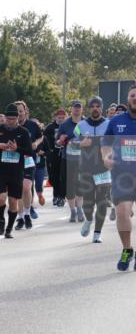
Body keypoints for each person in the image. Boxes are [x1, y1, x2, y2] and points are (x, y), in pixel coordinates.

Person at [0, 104, 33, 238]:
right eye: (8, 118)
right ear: (5, 118)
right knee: (1, 199)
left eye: (13, 119)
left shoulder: (23, 132)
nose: (10, 121)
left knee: (13, 202)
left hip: (16, 171)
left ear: (18, 118)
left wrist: (17, 149)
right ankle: (1, 220)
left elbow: (30, 151)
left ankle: (9, 228)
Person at [103, 85, 136, 270]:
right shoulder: (116, 121)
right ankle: (127, 249)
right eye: (132, 95)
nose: (135, 98)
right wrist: (105, 157)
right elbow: (106, 143)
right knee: (122, 213)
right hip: (122, 174)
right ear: (128, 98)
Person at [76, 96, 111, 243]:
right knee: (88, 202)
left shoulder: (109, 124)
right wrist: (80, 143)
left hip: (103, 168)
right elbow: (71, 143)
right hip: (86, 168)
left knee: (101, 201)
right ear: (89, 108)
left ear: (102, 108)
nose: (95, 108)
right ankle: (88, 219)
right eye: (92, 106)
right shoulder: (81, 125)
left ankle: (97, 233)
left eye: (98, 106)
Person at [14, 101, 42, 230]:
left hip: (29, 159)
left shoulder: (32, 125)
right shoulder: (10, 126)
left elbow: (41, 137)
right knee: (18, 190)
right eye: (16, 112)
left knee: (26, 187)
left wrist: (36, 143)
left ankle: (27, 213)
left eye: (20, 111)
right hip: (14, 161)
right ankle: (20, 217)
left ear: (25, 111)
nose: (19, 114)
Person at [57, 100, 86, 222]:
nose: (77, 109)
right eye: (75, 107)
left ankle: (79, 209)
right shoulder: (65, 124)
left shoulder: (86, 123)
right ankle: (73, 211)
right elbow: (57, 142)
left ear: (82, 110)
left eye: (79, 107)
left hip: (83, 158)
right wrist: (61, 140)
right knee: (70, 186)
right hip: (67, 158)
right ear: (71, 109)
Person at [44, 109, 67, 206]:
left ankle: (61, 196)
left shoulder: (68, 126)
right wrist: (48, 150)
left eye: (63, 117)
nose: (61, 119)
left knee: (62, 176)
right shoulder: (50, 127)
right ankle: (56, 194)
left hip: (64, 153)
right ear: (55, 117)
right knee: (53, 176)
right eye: (59, 117)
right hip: (53, 154)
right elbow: (44, 140)